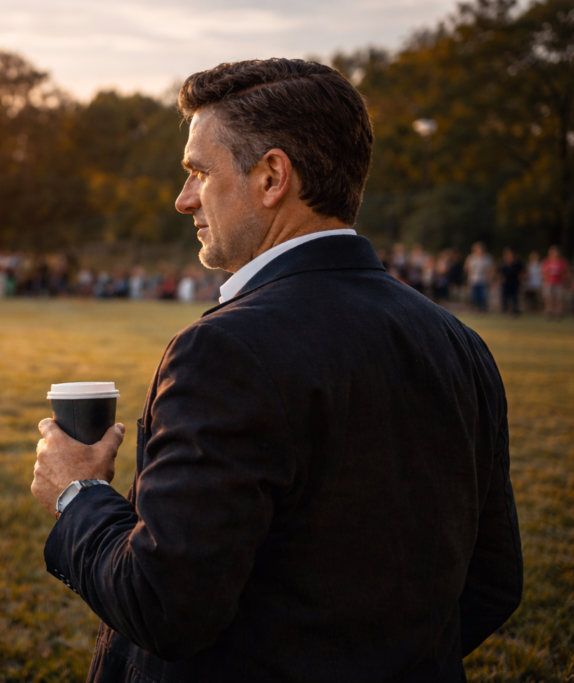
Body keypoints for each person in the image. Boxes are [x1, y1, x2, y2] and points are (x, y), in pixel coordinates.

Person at [31, 59, 521, 682]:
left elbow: (165, 603)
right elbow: (495, 583)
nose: (182, 200)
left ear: (271, 177)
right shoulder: (461, 342)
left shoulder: (227, 350)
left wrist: (79, 496)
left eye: (198, 173)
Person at [465, 242, 494, 313]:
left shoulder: (487, 258)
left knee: (483, 296)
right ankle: (474, 309)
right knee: (474, 296)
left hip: (483, 280)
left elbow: (491, 269)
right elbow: (466, 268)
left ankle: (483, 309)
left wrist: (490, 278)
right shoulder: (471, 258)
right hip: (473, 280)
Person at [541, 245, 568, 320]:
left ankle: (558, 313)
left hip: (559, 283)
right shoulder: (546, 261)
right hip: (549, 283)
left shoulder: (562, 261)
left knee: (558, 298)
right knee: (548, 298)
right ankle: (549, 312)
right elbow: (543, 272)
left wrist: (564, 280)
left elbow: (565, 272)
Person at [498, 247, 524, 316]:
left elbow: (521, 272)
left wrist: (521, 280)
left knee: (514, 297)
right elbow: (500, 272)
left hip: (514, 282)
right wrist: (501, 279)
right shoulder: (502, 262)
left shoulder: (517, 262)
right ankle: (505, 310)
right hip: (505, 283)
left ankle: (515, 310)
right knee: (505, 298)